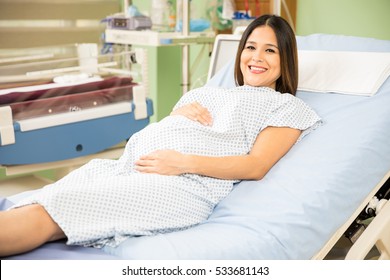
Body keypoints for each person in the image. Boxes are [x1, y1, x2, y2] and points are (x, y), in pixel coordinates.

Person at [0, 14, 321, 257]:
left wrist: (183, 162)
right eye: (250, 47)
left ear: (286, 60)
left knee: (54, 210)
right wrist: (176, 117)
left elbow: (256, 165)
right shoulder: (211, 92)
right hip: (126, 168)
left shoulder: (285, 107)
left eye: (270, 51)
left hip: (181, 186)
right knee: (40, 200)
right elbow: (171, 127)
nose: (256, 58)